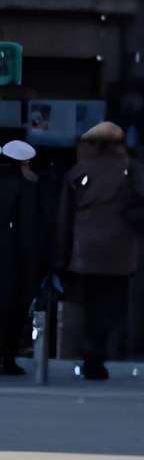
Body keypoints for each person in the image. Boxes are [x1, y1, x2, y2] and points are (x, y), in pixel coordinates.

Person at [55, 119, 144, 381]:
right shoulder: (129, 169)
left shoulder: (79, 170)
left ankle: (89, 354)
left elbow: (64, 214)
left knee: (89, 303)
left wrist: (60, 252)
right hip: (119, 249)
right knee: (111, 304)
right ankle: (101, 353)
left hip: (85, 249)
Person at [0, 139, 44, 375]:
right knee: (13, 311)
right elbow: (28, 230)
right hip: (13, 260)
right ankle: (7, 358)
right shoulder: (25, 189)